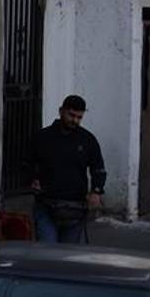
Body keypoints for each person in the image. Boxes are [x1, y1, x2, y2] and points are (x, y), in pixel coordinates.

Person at [27, 95, 106, 244]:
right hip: (46, 205)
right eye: (71, 115)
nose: (74, 120)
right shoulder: (43, 137)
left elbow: (98, 168)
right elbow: (27, 163)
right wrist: (33, 180)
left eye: (79, 117)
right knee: (47, 252)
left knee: (68, 256)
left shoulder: (87, 140)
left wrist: (96, 191)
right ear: (61, 111)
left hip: (76, 208)